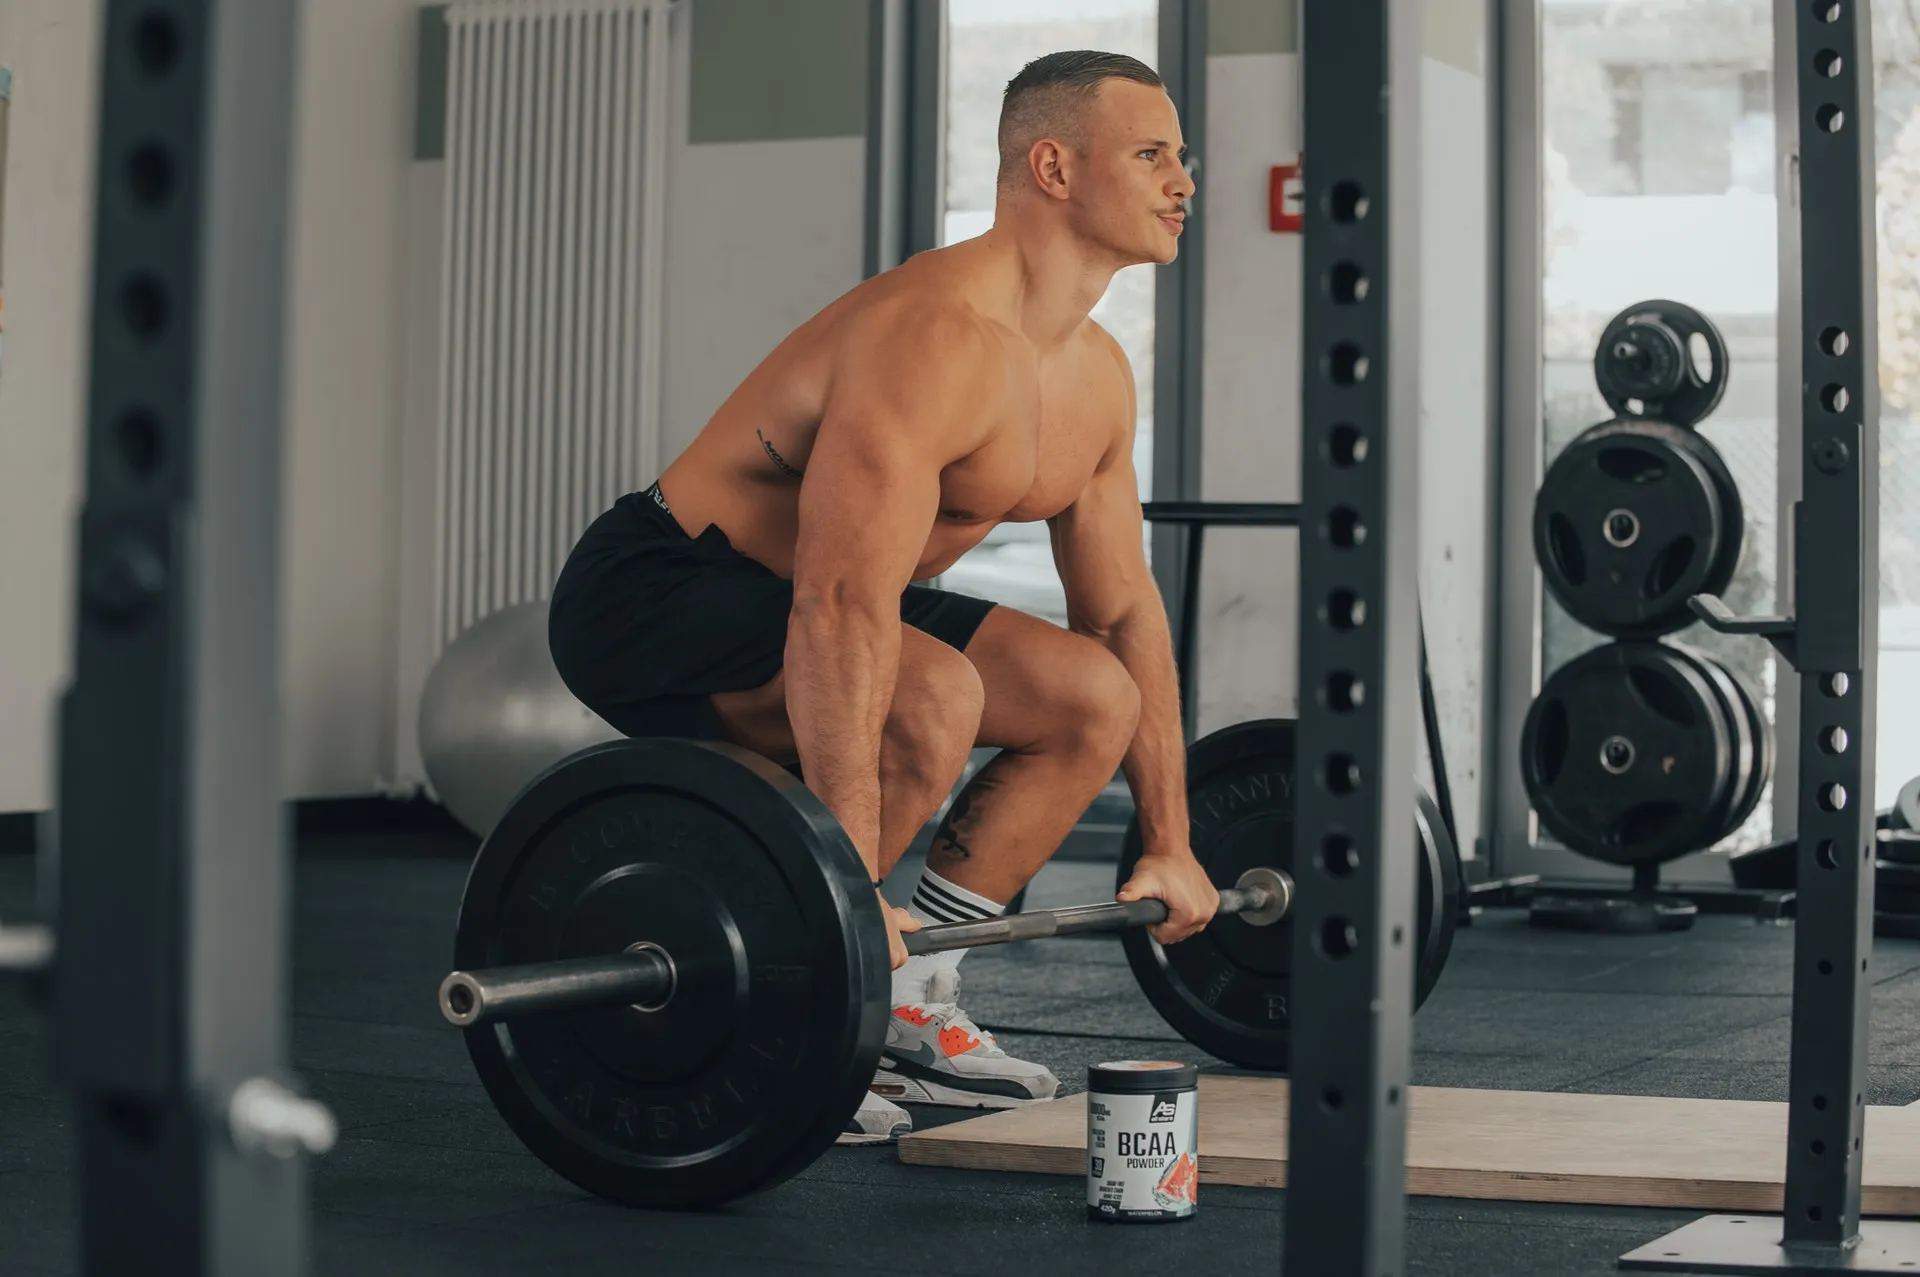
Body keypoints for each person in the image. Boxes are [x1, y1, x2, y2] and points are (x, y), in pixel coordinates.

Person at [548, 50, 1217, 1145]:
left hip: (829, 600)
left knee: (1093, 695)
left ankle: (913, 999)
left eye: (1181, 157)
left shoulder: (1094, 373)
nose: (1184, 180)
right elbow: (839, 607)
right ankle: (812, 1000)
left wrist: (1172, 840)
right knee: (933, 692)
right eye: (1153, 153)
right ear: (1053, 165)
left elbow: (1122, 612)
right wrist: (850, 887)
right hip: (660, 590)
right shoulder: (930, 337)